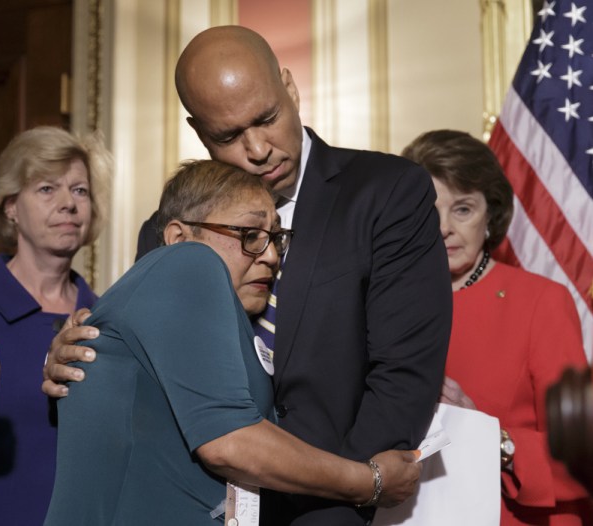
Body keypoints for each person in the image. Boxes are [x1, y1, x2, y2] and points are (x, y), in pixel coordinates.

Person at [43, 25, 452, 526]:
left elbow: (402, 377)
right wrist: (81, 364)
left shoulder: (386, 193)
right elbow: (159, 379)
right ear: (198, 133)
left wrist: (346, 500)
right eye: (229, 136)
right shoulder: (169, 233)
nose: (258, 149)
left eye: (267, 118)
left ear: (291, 89)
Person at [43, 159, 421, 525]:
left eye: (276, 238)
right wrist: (369, 481)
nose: (272, 255)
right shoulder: (186, 262)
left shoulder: (202, 315)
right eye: (250, 234)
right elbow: (229, 441)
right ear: (178, 237)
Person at [401, 129, 592, 525]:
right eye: (428, 210)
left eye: (463, 209)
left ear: (491, 215)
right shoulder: (384, 303)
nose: (443, 228)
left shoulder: (541, 302)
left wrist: (493, 439)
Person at [0, 127, 109, 525]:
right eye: (47, 189)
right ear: (10, 206)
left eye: (80, 191)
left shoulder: (108, 320)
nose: (68, 204)